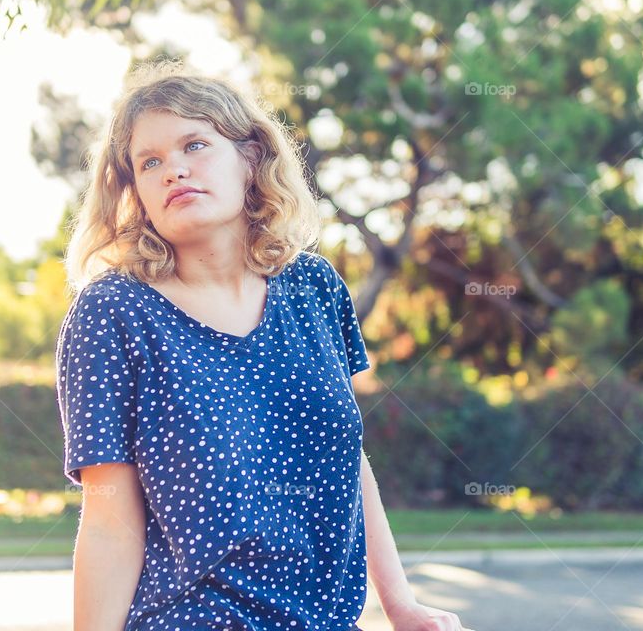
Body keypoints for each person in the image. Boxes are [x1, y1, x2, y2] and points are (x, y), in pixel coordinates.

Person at [56, 59, 469, 631]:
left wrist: (400, 603)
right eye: (150, 162)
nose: (173, 170)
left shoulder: (315, 288)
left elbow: (347, 461)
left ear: (250, 158)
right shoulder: (113, 313)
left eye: (194, 145)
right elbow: (107, 518)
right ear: (136, 193)